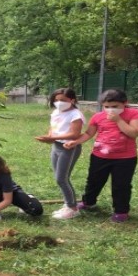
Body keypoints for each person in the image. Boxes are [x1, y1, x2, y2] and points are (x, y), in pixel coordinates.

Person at [64, 89, 138, 223]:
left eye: (115, 106)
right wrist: (76, 141)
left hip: (125, 159)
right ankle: (89, 202)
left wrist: (118, 120)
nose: (110, 110)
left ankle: (121, 211)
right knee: (94, 181)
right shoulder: (98, 117)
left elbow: (133, 133)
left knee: (121, 185)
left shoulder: (134, 114)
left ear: (125, 103)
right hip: (99, 156)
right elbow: (89, 134)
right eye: (106, 107)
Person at [34, 88, 85, 219]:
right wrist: (49, 136)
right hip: (56, 146)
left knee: (61, 178)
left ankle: (73, 208)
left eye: (63, 100)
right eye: (56, 100)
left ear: (72, 100)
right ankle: (68, 204)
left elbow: (74, 134)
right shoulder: (56, 112)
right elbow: (53, 127)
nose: (59, 103)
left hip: (69, 147)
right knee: (60, 178)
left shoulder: (75, 114)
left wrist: (52, 138)